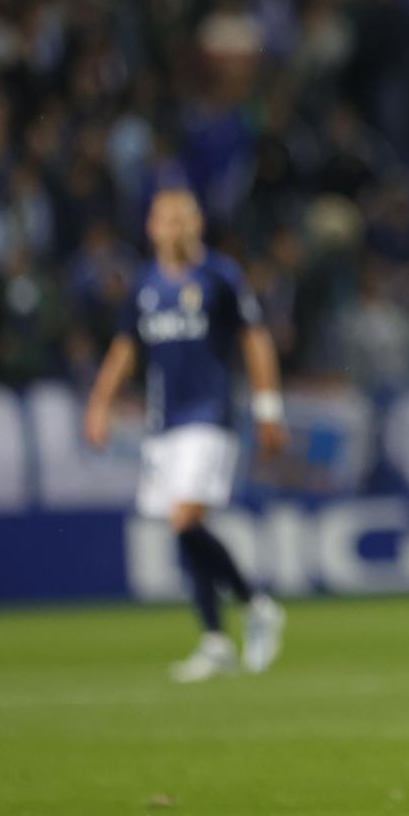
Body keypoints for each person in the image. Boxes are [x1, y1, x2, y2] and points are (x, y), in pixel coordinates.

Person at [84, 187, 290, 682]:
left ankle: (257, 604)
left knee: (183, 519)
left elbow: (255, 339)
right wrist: (99, 404)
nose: (174, 227)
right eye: (165, 219)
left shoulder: (221, 276)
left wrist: (267, 408)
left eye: (183, 218)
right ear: (152, 227)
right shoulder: (144, 285)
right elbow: (125, 348)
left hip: (211, 416)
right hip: (164, 424)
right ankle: (216, 640)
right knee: (181, 529)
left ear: (197, 224)